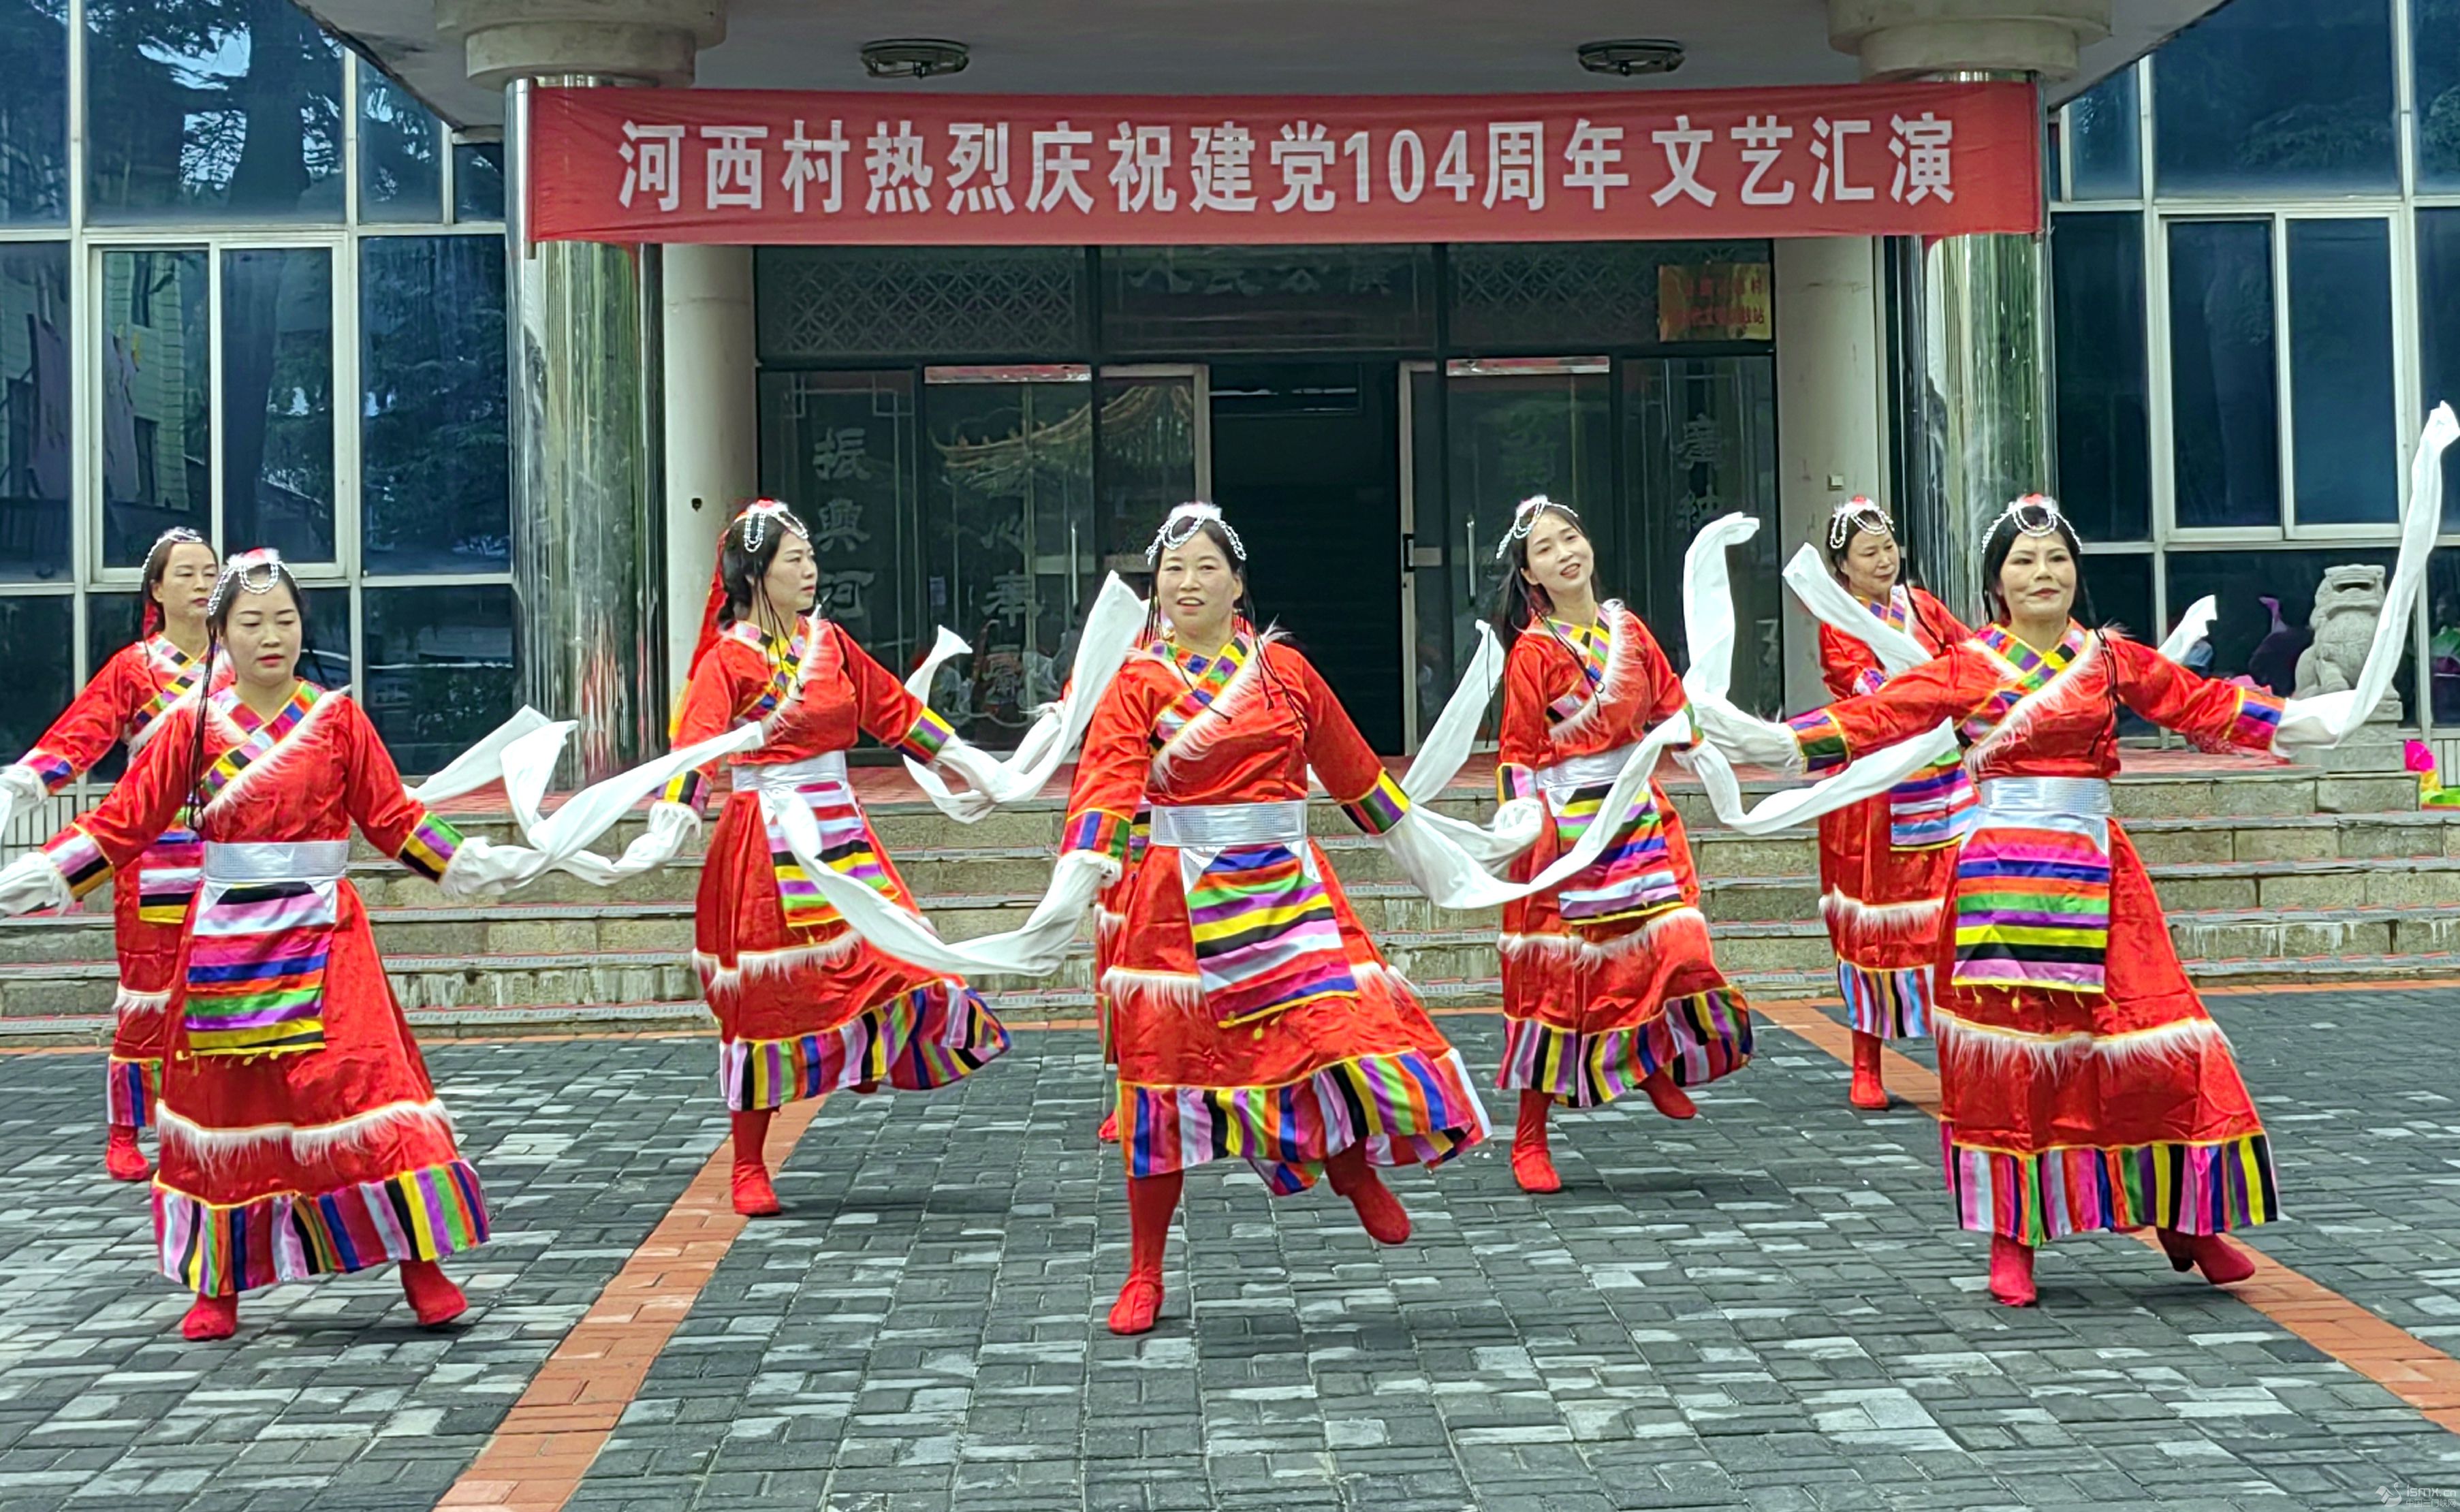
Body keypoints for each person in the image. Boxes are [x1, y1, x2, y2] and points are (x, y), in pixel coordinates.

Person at [1698, 497, 2290, 1308]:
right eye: (2024, 561)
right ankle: (2014, 1237)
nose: (2043, 573)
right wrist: (1775, 742)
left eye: (2056, 558)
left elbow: (2203, 704)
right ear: (1996, 583)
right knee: (2013, 1062)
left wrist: (2306, 722)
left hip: (2102, 878)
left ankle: (2182, 1216)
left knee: (2155, 1042)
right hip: (2002, 879)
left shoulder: (2110, 659)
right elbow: (1878, 716)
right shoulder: (1969, 665)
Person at [0, 550, 541, 1339]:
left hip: (328, 936)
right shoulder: (190, 727)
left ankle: (421, 1267)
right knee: (226, 1109)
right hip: (228, 939)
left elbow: (393, 819)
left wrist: (469, 864)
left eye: (284, 620)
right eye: (251, 622)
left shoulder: (338, 720)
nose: (271, 636)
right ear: (221, 633)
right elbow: (123, 823)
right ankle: (217, 1285)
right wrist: (42, 875)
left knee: (366, 1087)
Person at [1062, 503, 1489, 1334]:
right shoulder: (1138, 681)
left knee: (1333, 1032)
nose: (1188, 583)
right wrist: (1080, 875)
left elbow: (1356, 773)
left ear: (1238, 584)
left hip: (1287, 890)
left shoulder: (1285, 671)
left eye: (1206, 568)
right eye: (1174, 569)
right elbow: (1106, 786)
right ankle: (1145, 1270)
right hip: (1176, 902)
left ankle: (1351, 1165)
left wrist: (1441, 862)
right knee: (1162, 1080)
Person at [655, 500, 1015, 1216]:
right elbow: (696, 745)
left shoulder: (831, 643)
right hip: (764, 841)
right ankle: (749, 1163)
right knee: (766, 999)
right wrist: (675, 815)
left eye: (812, 556)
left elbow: (894, 711)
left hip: (839, 826)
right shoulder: (728, 661)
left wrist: (973, 764)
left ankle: (862, 1051)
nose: (811, 569)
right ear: (755, 575)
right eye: (795, 559)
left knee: (899, 957)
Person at [1489, 497, 1752, 1195]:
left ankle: (1650, 1055)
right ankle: (1530, 1135)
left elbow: (1671, 710)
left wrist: (1719, 760)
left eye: (1570, 537)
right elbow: (1517, 752)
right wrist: (1523, 825)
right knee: (1560, 984)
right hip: (1566, 830)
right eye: (1545, 549)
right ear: (1530, 574)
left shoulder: (1628, 631)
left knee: (1676, 943)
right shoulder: (1534, 651)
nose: (1564, 554)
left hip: (1636, 814)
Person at [0, 527, 220, 1181]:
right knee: (147, 995)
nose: (202, 584)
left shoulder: (239, 662)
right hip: (152, 851)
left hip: (230, 847)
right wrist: (20, 787)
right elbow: (79, 739)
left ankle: (212, 1123)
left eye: (210, 572)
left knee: (224, 988)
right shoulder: (134, 668)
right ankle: (126, 1129)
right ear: (157, 589)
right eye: (186, 573)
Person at [1806, 499, 1974, 1109]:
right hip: (1876, 790)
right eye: (1868, 553)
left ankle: (1959, 1060)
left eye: (1887, 548)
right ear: (1843, 566)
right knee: (1874, 925)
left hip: (1943, 781)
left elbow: (1969, 657)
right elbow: (1871, 692)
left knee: (1952, 920)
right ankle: (1865, 1061)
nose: (1883, 561)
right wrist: (1931, 690)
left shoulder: (1923, 606)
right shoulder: (1838, 619)